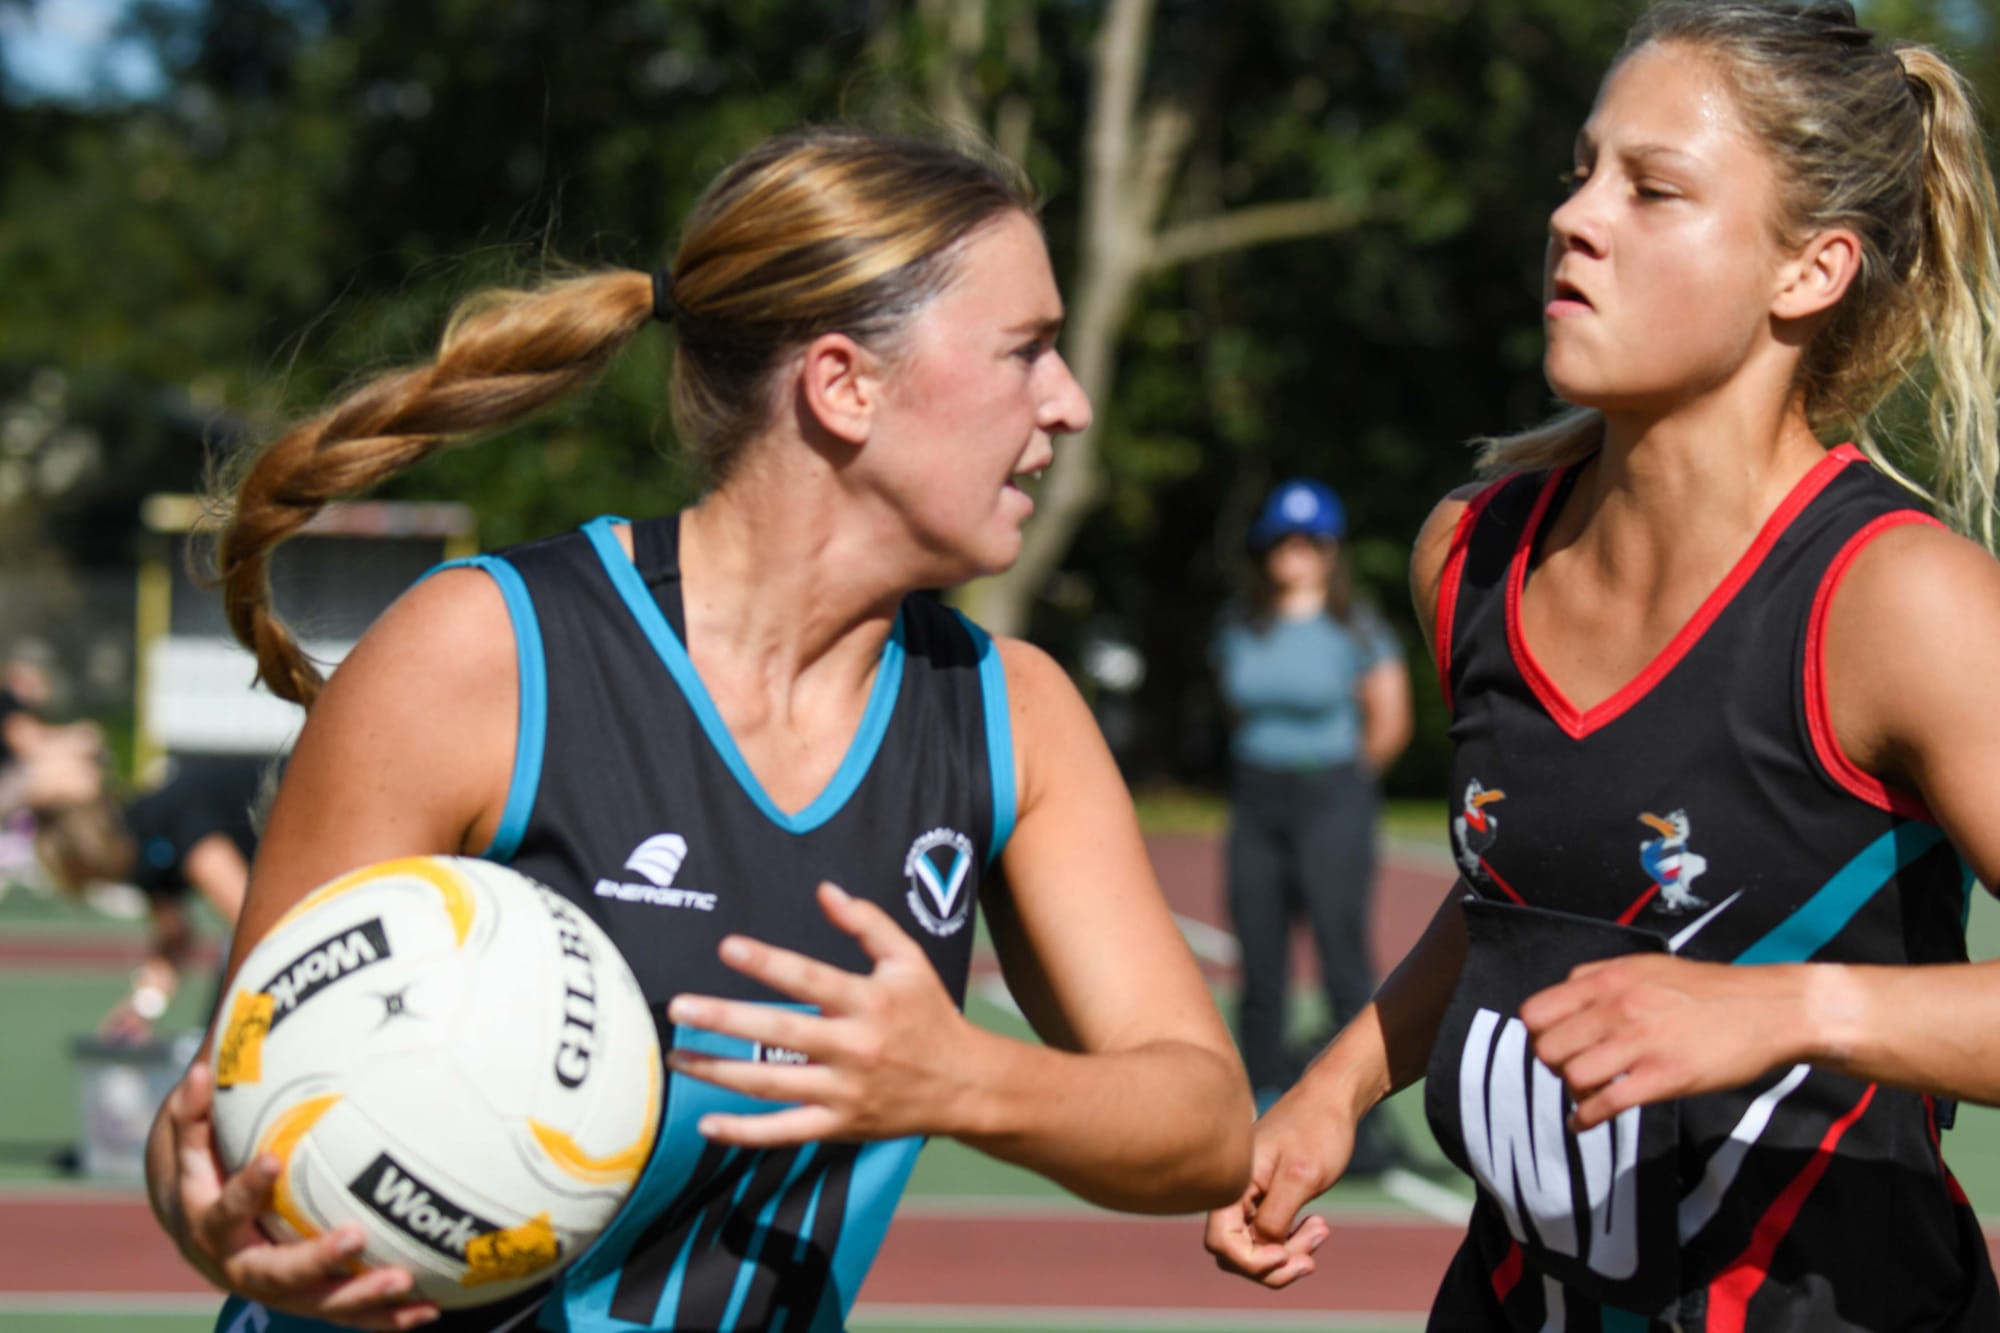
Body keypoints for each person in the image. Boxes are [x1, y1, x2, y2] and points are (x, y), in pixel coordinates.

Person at [145, 127, 1252, 1333]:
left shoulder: (1009, 715)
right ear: (843, 385)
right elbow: (224, 1104)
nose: (1071, 403)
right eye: (1025, 350)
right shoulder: (486, 657)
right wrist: (214, 1215)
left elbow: (1202, 1122)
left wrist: (964, 1077)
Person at [1207, 3, 2000, 1328]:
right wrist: (1340, 1081)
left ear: (1806, 272)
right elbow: (1522, 893)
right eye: (1581, 171)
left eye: (1654, 188)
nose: (1578, 217)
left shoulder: (1894, 599)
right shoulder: (1471, 554)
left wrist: (1789, 1008)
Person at [1210, 479, 1412, 1160]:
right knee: (1259, 956)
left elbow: (1390, 720)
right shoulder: (1241, 623)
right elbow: (1239, 708)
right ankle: (1264, 1095)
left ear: (1329, 551)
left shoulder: (1357, 629)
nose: (1294, 554)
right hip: (1257, 797)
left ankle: (1355, 1105)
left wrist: (1343, 780)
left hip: (1332, 796)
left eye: (1308, 542)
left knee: (1340, 952)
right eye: (1282, 542)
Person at [36, 755, 264, 1038]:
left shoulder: (173, 824)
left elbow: (257, 923)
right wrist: (141, 1007)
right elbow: (175, 937)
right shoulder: (142, 849)